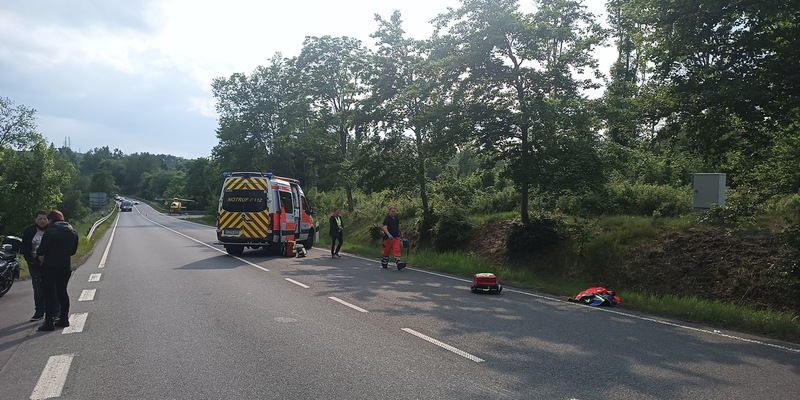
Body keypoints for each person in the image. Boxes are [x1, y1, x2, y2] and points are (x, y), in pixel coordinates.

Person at [36, 210, 79, 332]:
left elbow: (41, 250)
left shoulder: (50, 232)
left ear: (51, 220)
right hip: (65, 267)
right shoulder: (73, 232)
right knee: (62, 293)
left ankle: (48, 323)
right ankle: (64, 319)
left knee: (49, 295)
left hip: (49, 267)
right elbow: (72, 252)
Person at [21, 210, 58, 322]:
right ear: (35, 220)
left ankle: (56, 312)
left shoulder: (53, 231)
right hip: (35, 264)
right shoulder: (29, 231)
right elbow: (25, 249)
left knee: (53, 288)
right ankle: (39, 312)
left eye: (44, 219)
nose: (42, 221)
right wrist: (34, 260)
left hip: (50, 264)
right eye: (39, 219)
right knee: (37, 288)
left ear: (48, 220)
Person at [381, 206, 405, 270]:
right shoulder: (387, 219)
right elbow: (384, 227)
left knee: (397, 250)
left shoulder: (396, 219)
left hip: (396, 238)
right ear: (389, 212)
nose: (393, 212)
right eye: (392, 211)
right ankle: (384, 263)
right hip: (388, 239)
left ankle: (399, 263)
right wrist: (388, 234)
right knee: (386, 252)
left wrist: (401, 234)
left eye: (394, 211)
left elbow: (398, 226)